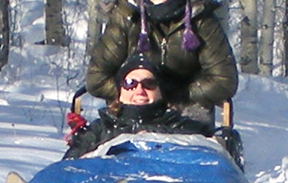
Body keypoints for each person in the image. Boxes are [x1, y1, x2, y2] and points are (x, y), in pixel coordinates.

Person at [85, 0, 238, 116]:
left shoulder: (201, 18)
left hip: (186, 110)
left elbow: (224, 80)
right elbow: (97, 78)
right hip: (133, 110)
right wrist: (134, 92)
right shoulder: (126, 15)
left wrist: (174, 95)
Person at [64, 53, 211, 159]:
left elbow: (212, 151)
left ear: (160, 91)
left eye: (149, 84)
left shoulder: (181, 128)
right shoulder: (100, 130)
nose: (140, 91)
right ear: (119, 92)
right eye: (130, 84)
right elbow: (68, 166)